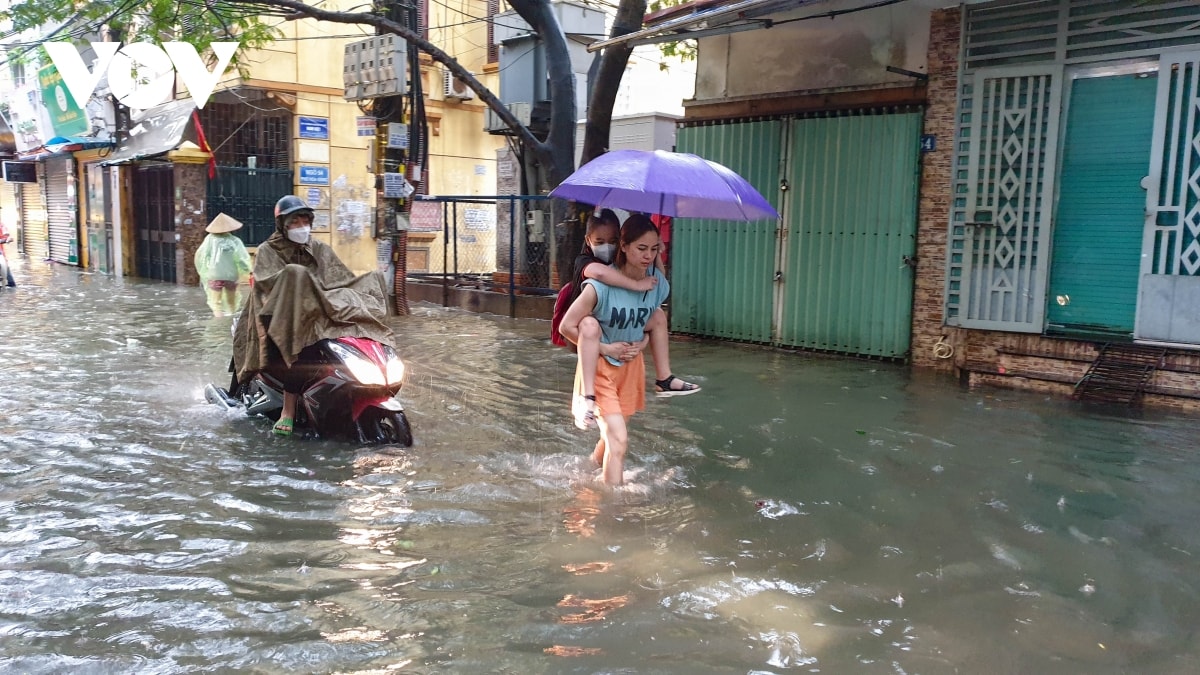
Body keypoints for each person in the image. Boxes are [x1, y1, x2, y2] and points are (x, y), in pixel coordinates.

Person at [232, 195, 394, 437]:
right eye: (294, 222)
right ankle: (288, 410)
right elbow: (267, 284)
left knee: (370, 286)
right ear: (283, 224)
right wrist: (297, 280)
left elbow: (341, 279)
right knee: (304, 345)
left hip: (316, 311)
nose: (301, 227)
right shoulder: (268, 250)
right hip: (278, 314)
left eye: (304, 221)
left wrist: (359, 290)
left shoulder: (319, 248)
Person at [559, 214, 684, 486]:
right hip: (600, 367)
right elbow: (566, 327)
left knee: (611, 437)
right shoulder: (597, 283)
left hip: (630, 368)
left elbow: (648, 320)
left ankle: (587, 472)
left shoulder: (653, 284)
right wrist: (607, 348)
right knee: (619, 440)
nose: (648, 255)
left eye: (654, 249)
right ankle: (611, 510)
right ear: (624, 247)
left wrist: (642, 342)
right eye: (642, 248)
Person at [562, 209, 700, 430]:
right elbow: (600, 274)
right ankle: (587, 397)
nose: (607, 246)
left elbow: (658, 283)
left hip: (622, 338)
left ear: (620, 241)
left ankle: (664, 378)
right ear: (589, 240)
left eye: (613, 240)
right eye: (600, 241)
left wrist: (657, 250)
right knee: (590, 325)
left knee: (657, 315)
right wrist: (636, 285)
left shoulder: (641, 270)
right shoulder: (587, 263)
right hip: (588, 337)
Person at [194, 213, 252, 317]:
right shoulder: (235, 241)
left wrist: (205, 271)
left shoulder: (209, 240)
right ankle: (230, 324)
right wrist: (248, 271)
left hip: (214, 275)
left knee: (216, 304)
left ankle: (218, 326)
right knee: (231, 304)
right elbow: (242, 259)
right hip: (231, 276)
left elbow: (201, 256)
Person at [0, 221, 15, 287]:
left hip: (0, 255)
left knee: (11, 283)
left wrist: (7, 239)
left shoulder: (1, 225)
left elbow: (7, 235)